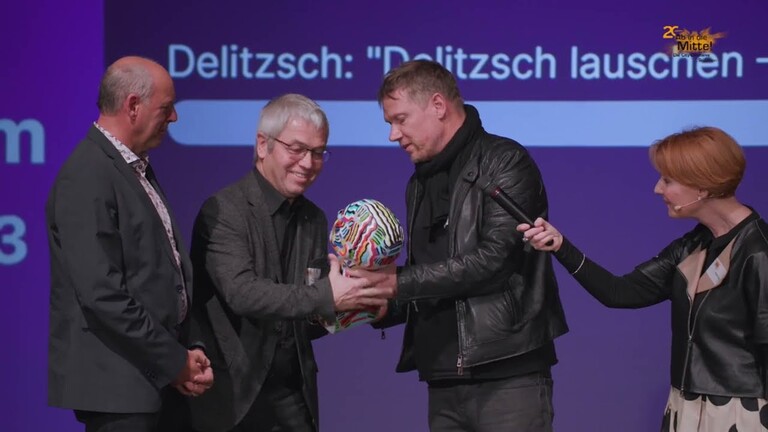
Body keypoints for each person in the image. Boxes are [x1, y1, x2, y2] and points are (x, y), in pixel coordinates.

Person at [352, 60, 569, 431]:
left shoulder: (504, 161)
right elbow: (429, 274)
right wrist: (379, 304)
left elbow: (494, 262)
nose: (393, 134)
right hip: (442, 378)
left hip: (507, 375)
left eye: (400, 119)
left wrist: (396, 282)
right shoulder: (418, 183)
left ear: (438, 105)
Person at [518, 126, 768, 431]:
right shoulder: (694, 244)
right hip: (686, 406)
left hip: (741, 412)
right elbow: (620, 292)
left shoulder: (759, 252)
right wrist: (560, 246)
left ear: (702, 187)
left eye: (668, 180)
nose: (657, 189)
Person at [188, 93, 394, 432]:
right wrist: (330, 295)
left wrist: (362, 303)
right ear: (263, 145)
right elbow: (243, 293)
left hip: (293, 395)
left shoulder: (314, 218)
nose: (308, 163)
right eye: (296, 149)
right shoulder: (224, 210)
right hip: (234, 395)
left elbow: (305, 313)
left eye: (318, 152)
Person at [46, 56, 213, 432]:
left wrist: (189, 348)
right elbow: (102, 294)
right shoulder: (87, 175)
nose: (174, 118)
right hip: (120, 387)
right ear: (133, 105)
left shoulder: (132, 167)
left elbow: (162, 272)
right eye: (166, 108)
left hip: (155, 378)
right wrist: (175, 361)